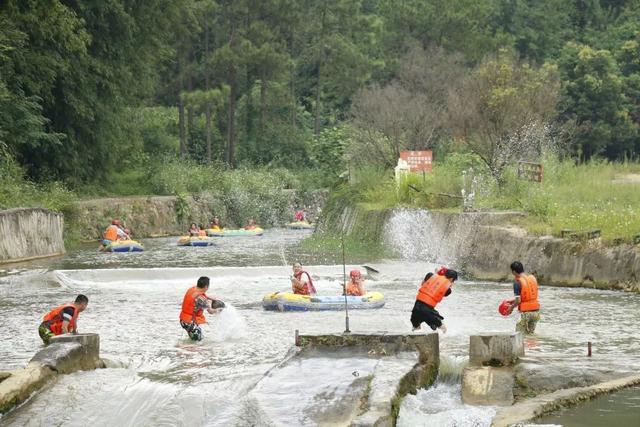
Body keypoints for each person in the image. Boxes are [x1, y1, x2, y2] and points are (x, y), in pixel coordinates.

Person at [410, 269, 458, 333]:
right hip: (427, 310)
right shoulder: (448, 289)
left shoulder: (431, 276)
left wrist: (437, 273)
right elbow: (444, 293)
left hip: (416, 307)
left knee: (416, 326)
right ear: (452, 279)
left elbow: (423, 283)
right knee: (442, 327)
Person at [179, 276, 225, 341]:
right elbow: (211, 311)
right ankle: (182, 347)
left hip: (183, 320)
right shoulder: (203, 300)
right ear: (206, 286)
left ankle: (185, 347)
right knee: (198, 342)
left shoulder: (192, 289)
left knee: (193, 339)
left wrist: (210, 298)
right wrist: (220, 310)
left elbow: (198, 295)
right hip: (190, 322)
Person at [505, 261, 540, 334]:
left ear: (514, 271)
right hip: (535, 312)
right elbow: (528, 296)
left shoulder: (517, 282)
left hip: (525, 313)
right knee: (530, 336)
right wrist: (512, 301)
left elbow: (518, 301)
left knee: (519, 335)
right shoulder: (532, 279)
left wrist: (511, 307)